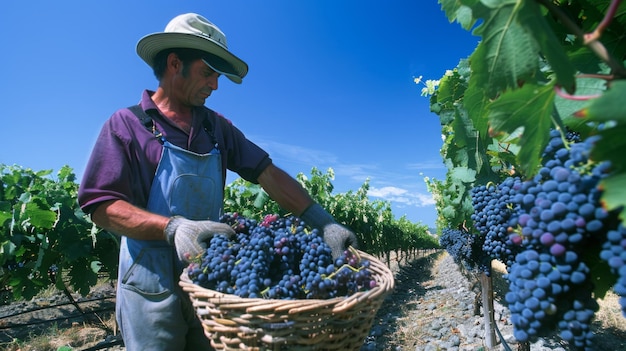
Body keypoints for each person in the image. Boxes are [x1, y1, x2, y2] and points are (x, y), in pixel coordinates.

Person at [77, 12, 357, 351]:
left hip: (211, 283)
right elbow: (100, 205)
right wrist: (173, 228)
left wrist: (322, 221)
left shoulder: (215, 127)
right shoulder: (127, 125)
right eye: (207, 72)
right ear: (175, 63)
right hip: (149, 288)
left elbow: (267, 173)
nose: (215, 85)